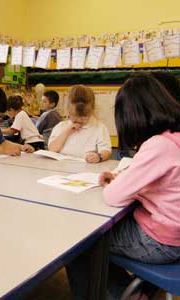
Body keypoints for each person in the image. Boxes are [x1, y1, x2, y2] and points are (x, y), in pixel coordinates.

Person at [68, 74, 180, 300]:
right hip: (173, 234)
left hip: (160, 241)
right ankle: (133, 290)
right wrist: (126, 179)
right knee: (99, 236)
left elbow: (113, 197)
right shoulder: (174, 138)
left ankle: (122, 295)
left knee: (78, 242)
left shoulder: (158, 145)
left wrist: (120, 183)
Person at [48, 85, 111, 163]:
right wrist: (67, 132)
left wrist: (99, 156)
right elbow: (52, 149)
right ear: (68, 110)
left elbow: (106, 150)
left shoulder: (99, 128)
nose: (79, 120)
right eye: (74, 116)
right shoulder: (61, 126)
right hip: (61, 168)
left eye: (84, 116)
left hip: (87, 170)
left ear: (92, 111)